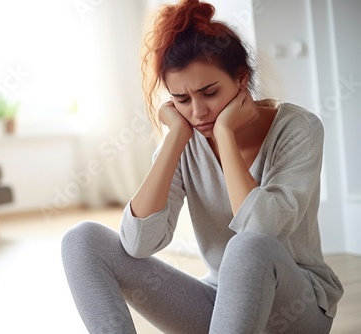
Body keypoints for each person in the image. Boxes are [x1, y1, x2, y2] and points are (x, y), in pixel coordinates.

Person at [61, 0, 344, 333]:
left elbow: (259, 231)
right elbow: (138, 244)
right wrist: (173, 140)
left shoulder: (299, 129)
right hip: (222, 300)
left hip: (296, 308)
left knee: (248, 245)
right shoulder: (187, 137)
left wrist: (225, 135)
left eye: (209, 93)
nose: (197, 113)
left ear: (241, 79)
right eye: (181, 99)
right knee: (82, 240)